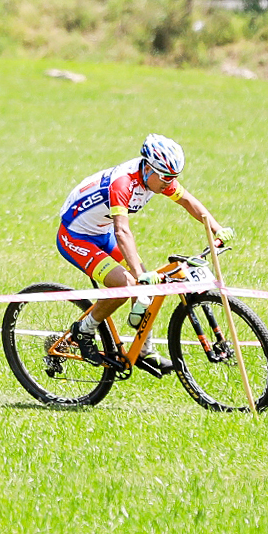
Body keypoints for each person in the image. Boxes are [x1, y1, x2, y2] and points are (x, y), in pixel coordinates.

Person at [55, 134, 226, 371]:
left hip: (102, 232)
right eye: (166, 177)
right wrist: (138, 275)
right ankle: (84, 331)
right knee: (126, 284)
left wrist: (217, 228)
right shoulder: (123, 183)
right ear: (147, 168)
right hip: (76, 236)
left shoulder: (157, 177)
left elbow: (188, 201)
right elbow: (122, 230)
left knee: (145, 285)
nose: (170, 183)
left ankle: (144, 352)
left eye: (174, 177)